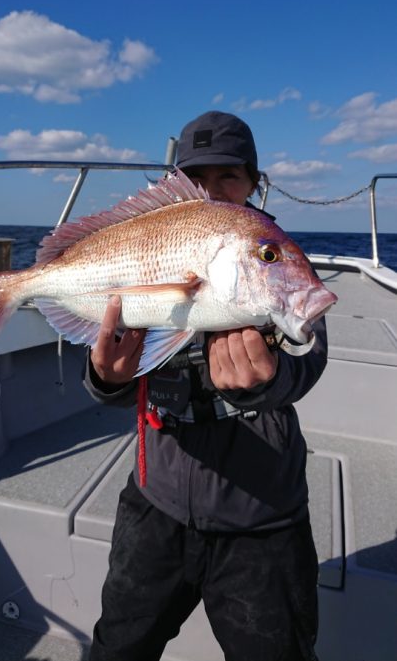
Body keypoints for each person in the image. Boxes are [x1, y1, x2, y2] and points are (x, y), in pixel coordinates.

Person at [84, 111, 325, 661]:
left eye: (229, 179)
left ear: (253, 184)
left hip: (261, 514)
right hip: (156, 500)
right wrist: (106, 377)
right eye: (197, 180)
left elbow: (308, 356)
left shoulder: (270, 254)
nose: (213, 192)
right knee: (116, 649)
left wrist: (261, 383)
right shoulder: (151, 247)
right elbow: (113, 359)